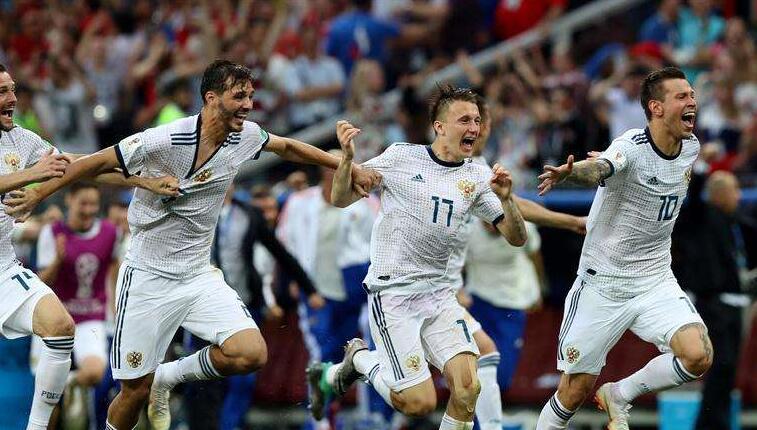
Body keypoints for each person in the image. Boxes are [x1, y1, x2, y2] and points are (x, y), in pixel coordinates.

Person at [3, 59, 379, 430]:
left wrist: (346, 166)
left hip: (198, 275)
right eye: (239, 96)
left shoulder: (246, 136)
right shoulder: (165, 139)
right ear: (211, 98)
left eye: (250, 96)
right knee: (133, 391)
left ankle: (168, 376)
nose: (248, 105)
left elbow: (288, 148)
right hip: (147, 277)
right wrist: (39, 194)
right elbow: (94, 163)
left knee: (251, 353)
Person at [311, 84, 528, 430]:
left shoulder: (477, 176)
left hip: (439, 296)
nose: (474, 127)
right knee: (418, 403)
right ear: (439, 127)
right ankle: (361, 360)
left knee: (468, 389)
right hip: (394, 295)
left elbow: (517, 238)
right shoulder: (401, 157)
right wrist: (348, 160)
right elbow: (340, 199)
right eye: (464, 120)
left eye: (476, 120)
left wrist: (507, 199)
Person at [534, 66, 713, 430]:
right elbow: (600, 168)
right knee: (574, 390)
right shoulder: (630, 146)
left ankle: (619, 394)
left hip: (654, 279)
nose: (692, 101)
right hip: (603, 283)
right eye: (682, 96)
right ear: (656, 107)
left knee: (698, 355)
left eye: (692, 95)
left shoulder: (691, 147)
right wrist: (572, 172)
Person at [0, 63, 174, 430]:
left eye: (12, 88)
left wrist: (144, 181)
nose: (13, 98)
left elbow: (82, 165)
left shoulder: (20, 140)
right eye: (3, 92)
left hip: (3, 268)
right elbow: (38, 173)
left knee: (60, 327)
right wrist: (34, 174)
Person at [31, 183, 120, 426]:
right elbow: (40, 282)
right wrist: (58, 260)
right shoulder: (52, 233)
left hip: (90, 317)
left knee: (95, 373)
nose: (89, 210)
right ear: (69, 200)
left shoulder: (110, 232)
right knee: (46, 397)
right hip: (55, 318)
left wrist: (115, 306)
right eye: (83, 203)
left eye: (94, 204)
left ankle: (70, 385)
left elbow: (114, 268)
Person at [673, 169, 753, 430]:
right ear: (719, 194)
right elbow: (694, 197)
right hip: (713, 305)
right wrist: (701, 168)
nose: (739, 196)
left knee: (728, 370)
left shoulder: (735, 222)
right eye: (734, 190)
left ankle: (716, 423)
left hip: (736, 304)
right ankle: (710, 425)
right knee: (720, 366)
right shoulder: (703, 216)